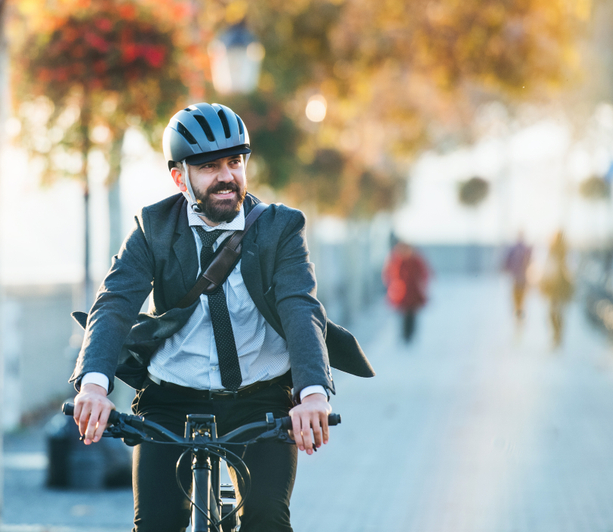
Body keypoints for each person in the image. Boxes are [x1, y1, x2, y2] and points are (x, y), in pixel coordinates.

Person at [69, 102, 373, 532]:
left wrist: (312, 395)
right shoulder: (152, 228)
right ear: (180, 177)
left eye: (235, 162)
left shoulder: (279, 228)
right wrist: (94, 387)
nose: (227, 176)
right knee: (153, 524)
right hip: (170, 400)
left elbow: (300, 308)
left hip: (260, 399)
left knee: (266, 520)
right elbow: (115, 303)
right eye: (210, 166)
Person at [382, 241, 431, 344]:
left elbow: (424, 274)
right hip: (401, 293)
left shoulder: (415, 261)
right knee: (403, 316)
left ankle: (410, 336)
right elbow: (389, 275)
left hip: (412, 293)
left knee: (412, 316)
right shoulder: (396, 261)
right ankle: (404, 336)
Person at [540, 230, 574, 349]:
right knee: (555, 313)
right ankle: (557, 336)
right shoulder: (556, 249)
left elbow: (548, 267)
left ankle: (557, 336)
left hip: (558, 286)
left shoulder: (563, 250)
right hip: (556, 286)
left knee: (555, 313)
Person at [502, 233, 533, 322]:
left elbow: (506, 263)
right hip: (522, 279)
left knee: (517, 300)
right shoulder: (525, 249)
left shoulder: (513, 249)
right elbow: (530, 261)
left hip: (516, 279)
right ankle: (519, 317)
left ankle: (518, 317)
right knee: (521, 301)